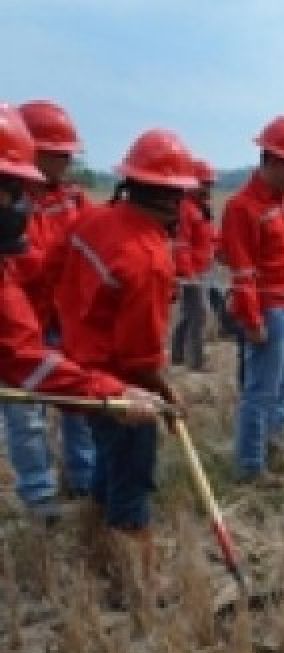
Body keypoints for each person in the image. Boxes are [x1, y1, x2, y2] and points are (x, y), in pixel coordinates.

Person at [0, 105, 161, 653]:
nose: (22, 205)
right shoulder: (137, 248)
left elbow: (24, 338)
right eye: (11, 191)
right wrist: (112, 392)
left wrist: (101, 386)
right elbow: (25, 360)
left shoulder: (31, 249)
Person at [54, 128, 196, 605]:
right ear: (173, 197)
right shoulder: (149, 259)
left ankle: (94, 545)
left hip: (78, 371)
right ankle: (135, 582)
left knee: (106, 463)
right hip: (115, 383)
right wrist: (166, 393)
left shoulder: (92, 221)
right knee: (132, 472)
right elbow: (139, 358)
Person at [1, 100, 95, 519]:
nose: (68, 162)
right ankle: (40, 498)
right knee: (26, 415)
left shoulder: (74, 201)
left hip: (63, 320)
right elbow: (22, 264)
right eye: (60, 154)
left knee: (76, 405)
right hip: (25, 324)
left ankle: (83, 477)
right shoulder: (19, 210)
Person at [220, 116, 284, 483]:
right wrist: (251, 318)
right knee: (260, 392)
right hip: (268, 311)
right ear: (272, 160)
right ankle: (250, 466)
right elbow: (242, 270)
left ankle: (279, 449)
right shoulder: (241, 207)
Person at [170, 158, 218, 371]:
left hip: (204, 270)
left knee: (189, 315)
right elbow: (181, 246)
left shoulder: (202, 208)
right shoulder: (185, 209)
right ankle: (196, 363)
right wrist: (189, 276)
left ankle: (178, 355)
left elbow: (209, 237)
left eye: (210, 184)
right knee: (199, 314)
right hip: (192, 274)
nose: (208, 188)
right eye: (204, 184)